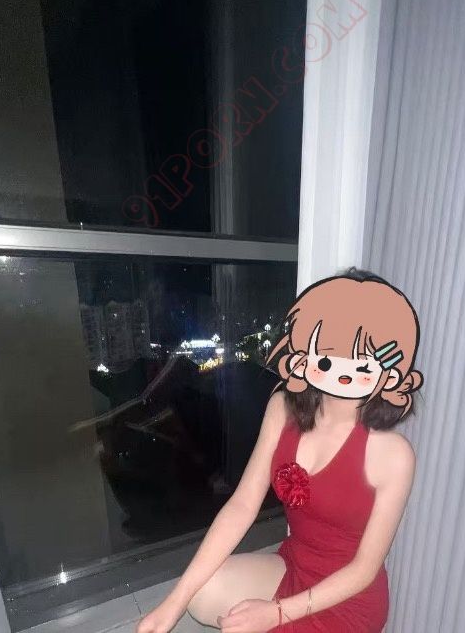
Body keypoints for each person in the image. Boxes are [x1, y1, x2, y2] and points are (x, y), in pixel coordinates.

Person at [137, 267, 424, 632]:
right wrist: (173, 603)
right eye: (327, 358)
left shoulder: (393, 455)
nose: (343, 374)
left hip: (349, 599)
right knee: (203, 592)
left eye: (362, 363)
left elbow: (364, 570)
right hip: (295, 564)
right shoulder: (283, 409)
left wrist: (277, 613)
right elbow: (242, 505)